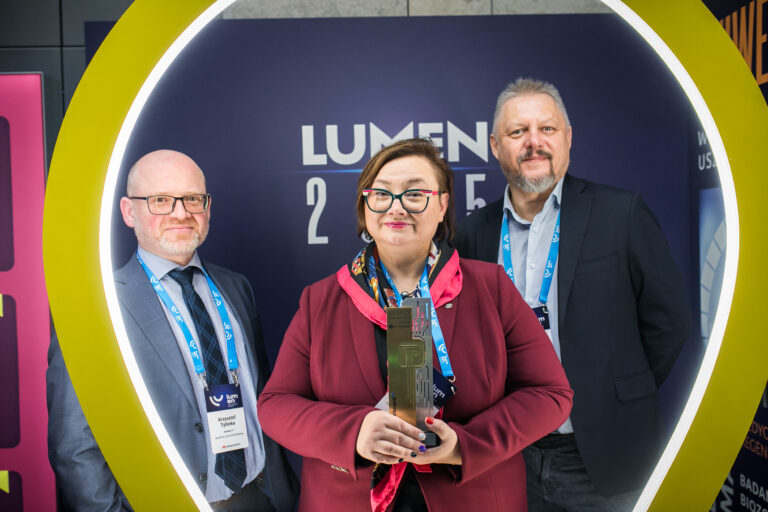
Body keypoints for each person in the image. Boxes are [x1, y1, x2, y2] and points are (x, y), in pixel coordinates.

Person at [257, 138, 573, 511]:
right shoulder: (321, 300)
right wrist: (354, 431)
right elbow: (275, 406)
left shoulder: (492, 288)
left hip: (472, 498)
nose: (396, 206)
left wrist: (463, 445)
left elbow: (551, 394)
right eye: (381, 194)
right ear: (365, 205)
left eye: (414, 194)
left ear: (442, 206)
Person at [453, 78, 692, 511]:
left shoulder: (621, 214)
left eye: (547, 128)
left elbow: (669, 322)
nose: (534, 142)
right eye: (517, 131)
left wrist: (614, 393)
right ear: (495, 146)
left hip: (604, 455)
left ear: (568, 138)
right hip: (509, 457)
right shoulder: (473, 234)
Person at [47, 150, 298, 511]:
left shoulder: (236, 287)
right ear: (129, 212)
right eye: (161, 200)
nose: (181, 213)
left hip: (257, 498)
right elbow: (74, 445)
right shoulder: (97, 308)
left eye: (192, 199)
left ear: (207, 208)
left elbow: (260, 394)